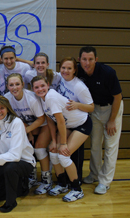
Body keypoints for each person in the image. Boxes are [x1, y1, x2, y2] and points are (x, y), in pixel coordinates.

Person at [32, 76, 92, 202]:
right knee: (53, 151)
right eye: (36, 87)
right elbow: (50, 120)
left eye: (42, 85)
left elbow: (60, 122)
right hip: (69, 125)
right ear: (33, 89)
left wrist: (63, 143)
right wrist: (54, 141)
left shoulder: (51, 97)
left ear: (48, 85)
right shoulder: (41, 99)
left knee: (64, 155)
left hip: (82, 124)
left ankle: (77, 190)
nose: (40, 89)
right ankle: (62, 184)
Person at [77, 46, 123, 194]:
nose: (87, 62)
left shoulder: (108, 73)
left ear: (96, 60)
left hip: (112, 108)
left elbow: (118, 97)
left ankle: (105, 181)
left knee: (110, 146)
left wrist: (111, 120)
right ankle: (94, 174)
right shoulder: (78, 70)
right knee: (95, 144)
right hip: (94, 109)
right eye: (84, 59)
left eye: (90, 59)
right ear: (79, 60)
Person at [4, 73, 52, 195]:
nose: (14, 87)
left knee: (39, 150)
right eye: (11, 85)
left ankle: (47, 180)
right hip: (27, 126)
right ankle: (32, 178)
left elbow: (41, 119)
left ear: (23, 85)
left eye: (17, 84)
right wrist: (28, 132)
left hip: (43, 124)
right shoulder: (7, 99)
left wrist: (27, 131)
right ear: (7, 86)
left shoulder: (31, 98)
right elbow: (15, 118)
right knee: (26, 150)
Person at [57, 57, 94, 181]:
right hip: (68, 123)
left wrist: (77, 105)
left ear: (74, 70)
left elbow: (91, 107)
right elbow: (39, 66)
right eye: (63, 68)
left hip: (81, 123)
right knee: (58, 150)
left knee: (69, 153)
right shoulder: (60, 78)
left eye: (69, 68)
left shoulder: (79, 86)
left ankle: (76, 183)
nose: (65, 71)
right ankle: (64, 181)